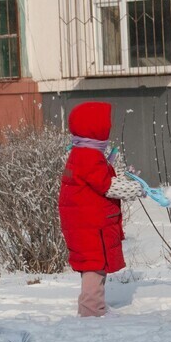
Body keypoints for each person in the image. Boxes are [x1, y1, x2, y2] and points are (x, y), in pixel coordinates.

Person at [58, 101, 145, 317]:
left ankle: (93, 309)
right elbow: (107, 185)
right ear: (96, 129)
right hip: (89, 225)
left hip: (86, 221)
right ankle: (91, 313)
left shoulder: (83, 152)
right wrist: (137, 189)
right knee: (93, 266)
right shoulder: (88, 156)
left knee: (93, 265)